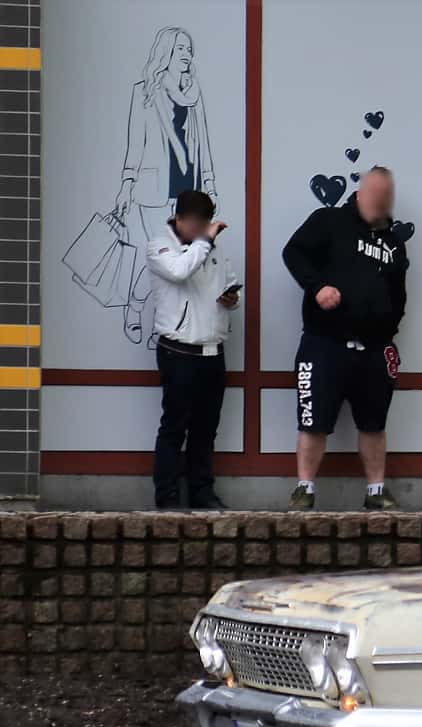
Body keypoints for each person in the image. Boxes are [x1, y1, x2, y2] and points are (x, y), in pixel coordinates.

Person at [280, 166, 409, 512]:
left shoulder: (394, 245)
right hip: (325, 342)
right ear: (361, 193)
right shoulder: (328, 221)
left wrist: (388, 329)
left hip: (374, 349)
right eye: (376, 197)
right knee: (313, 421)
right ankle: (304, 488)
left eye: (387, 200)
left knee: (373, 422)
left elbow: (399, 295)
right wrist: (318, 287)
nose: (381, 206)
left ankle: (377, 490)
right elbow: (293, 253)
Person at [116, 26, 218, 346]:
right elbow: (136, 143)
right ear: (167, 55)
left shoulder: (193, 94)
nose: (188, 56)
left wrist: (210, 185)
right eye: (181, 50)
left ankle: (162, 330)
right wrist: (127, 183)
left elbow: (203, 144)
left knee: (179, 265)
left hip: (187, 194)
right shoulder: (144, 92)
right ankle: (140, 309)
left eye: (189, 50)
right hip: (153, 189)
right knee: (162, 261)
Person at [145, 189, 236, 510]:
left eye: (206, 224)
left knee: (206, 428)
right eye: (197, 223)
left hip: (213, 351)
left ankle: (202, 491)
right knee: (174, 425)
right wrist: (204, 242)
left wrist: (231, 298)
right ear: (179, 219)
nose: (202, 230)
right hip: (178, 352)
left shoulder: (211, 250)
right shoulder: (159, 246)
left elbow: (229, 280)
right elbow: (179, 271)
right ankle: (166, 494)